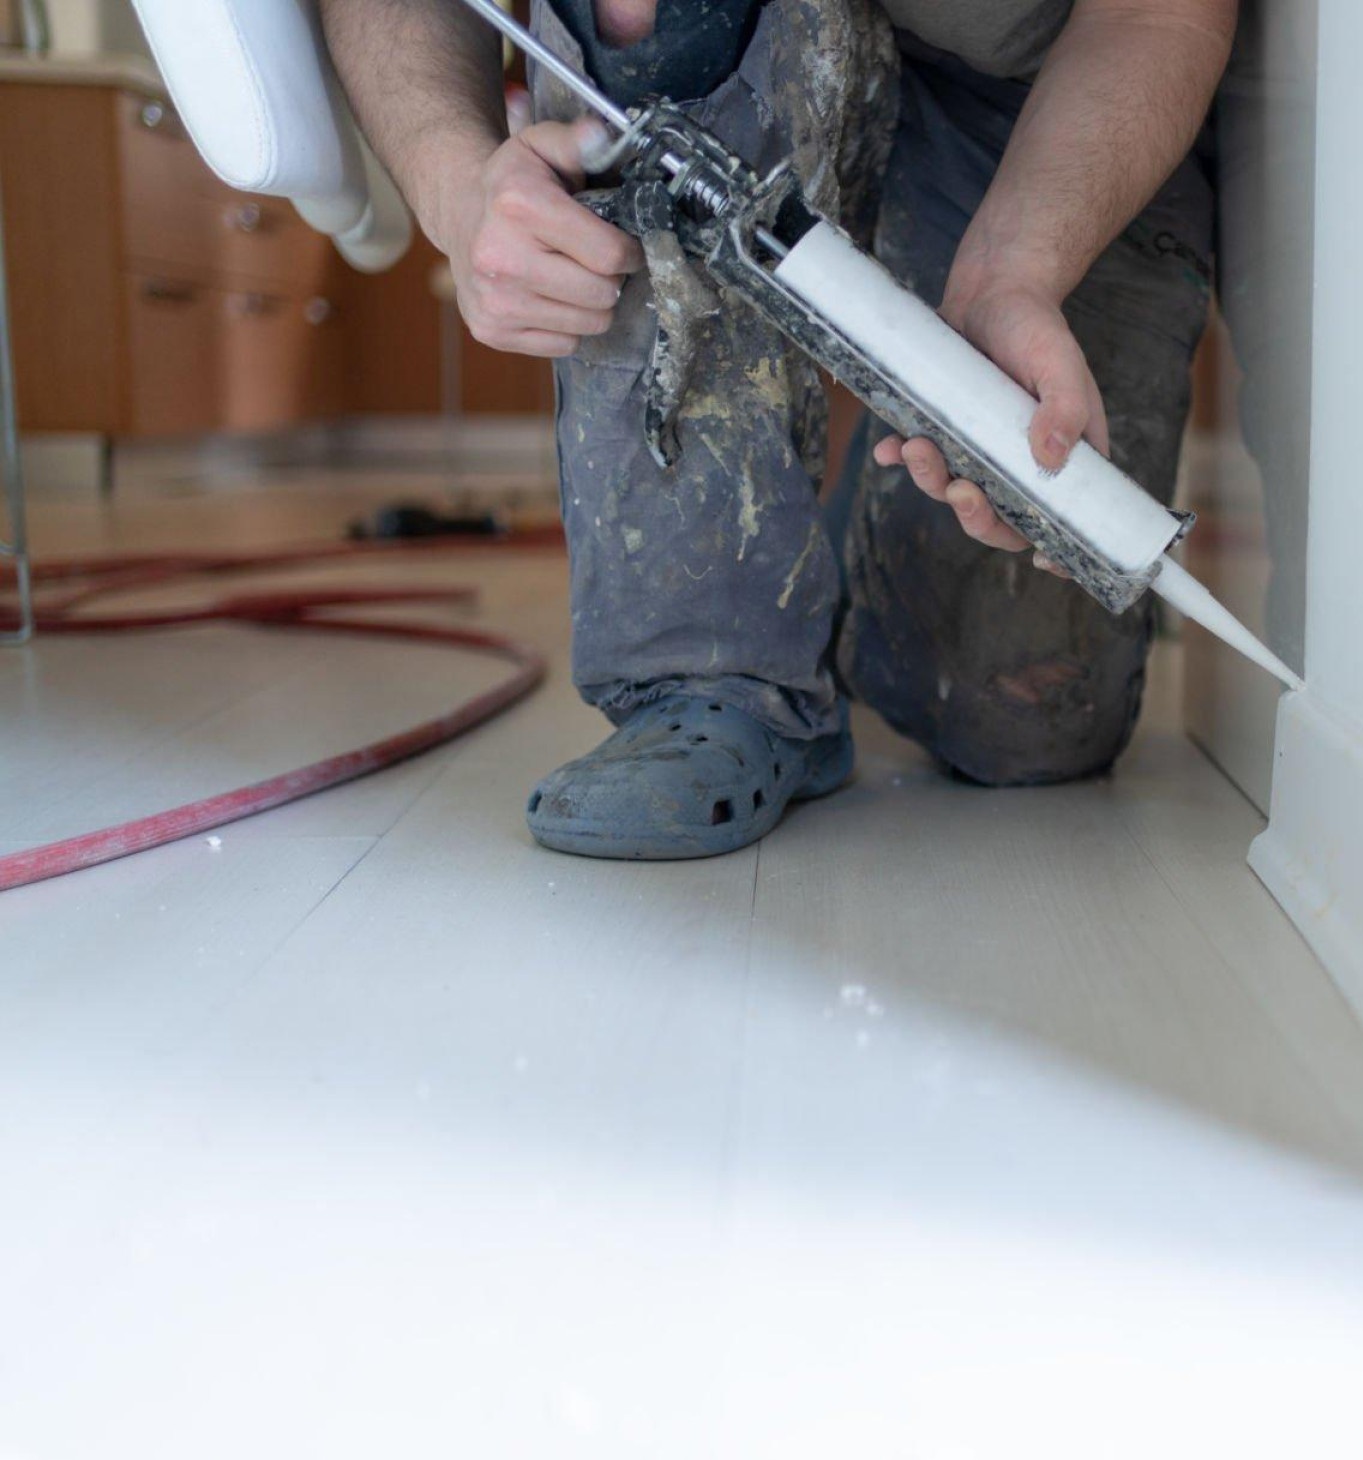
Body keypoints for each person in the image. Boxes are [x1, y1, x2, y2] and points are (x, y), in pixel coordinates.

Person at [323, 0, 1233, 859]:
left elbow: (1156, 12)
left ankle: (840, 563)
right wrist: (456, 191)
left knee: (1018, 715)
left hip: (1037, 104)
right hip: (728, 54)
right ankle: (710, 670)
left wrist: (1017, 274)